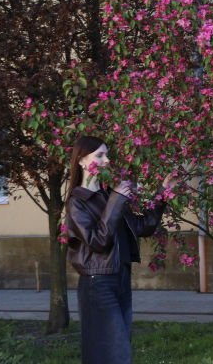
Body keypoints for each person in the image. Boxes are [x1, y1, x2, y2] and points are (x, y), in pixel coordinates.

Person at [64, 135, 174, 364]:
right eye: (99, 155)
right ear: (81, 161)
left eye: (107, 154)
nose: (106, 160)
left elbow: (142, 226)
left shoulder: (107, 196)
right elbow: (97, 242)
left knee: (118, 350)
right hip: (98, 284)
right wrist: (116, 199)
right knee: (113, 355)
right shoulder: (78, 201)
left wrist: (163, 193)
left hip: (121, 279)